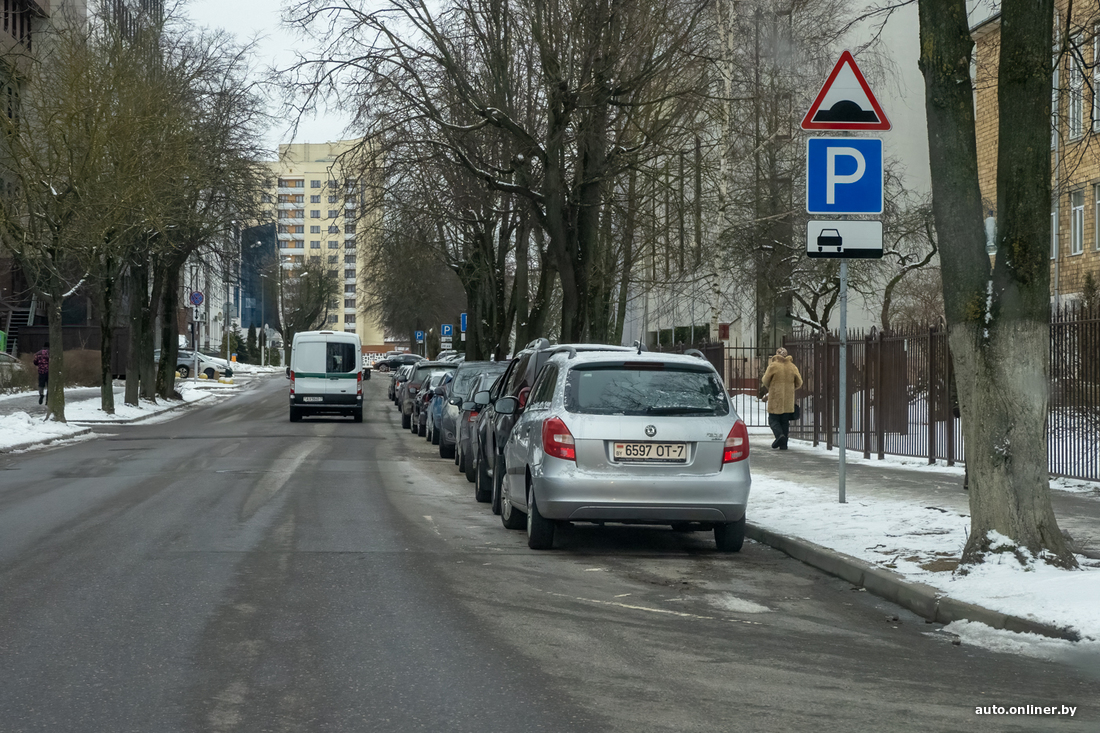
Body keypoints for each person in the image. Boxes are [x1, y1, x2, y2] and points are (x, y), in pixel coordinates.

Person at [761, 346, 802, 450]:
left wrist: (771, 387)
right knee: (784, 421)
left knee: (773, 420)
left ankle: (780, 436)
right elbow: (799, 383)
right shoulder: (792, 367)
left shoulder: (773, 366)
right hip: (788, 399)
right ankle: (784, 444)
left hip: (775, 398)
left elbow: (765, 380)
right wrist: (791, 388)